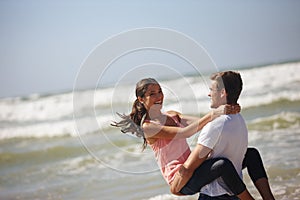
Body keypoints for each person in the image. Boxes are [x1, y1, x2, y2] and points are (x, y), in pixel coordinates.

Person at [111, 77, 274, 200]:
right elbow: (185, 133)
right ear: (141, 99)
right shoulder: (148, 127)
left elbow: (203, 123)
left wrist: (228, 110)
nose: (159, 96)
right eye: (152, 94)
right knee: (222, 166)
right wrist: (214, 113)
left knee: (251, 154)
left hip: (194, 168)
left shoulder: (173, 115)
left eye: (160, 91)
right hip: (181, 178)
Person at [170, 71, 275, 200]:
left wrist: (175, 189)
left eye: (211, 90)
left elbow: (189, 167)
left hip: (213, 195)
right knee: (251, 153)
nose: (209, 94)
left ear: (222, 93)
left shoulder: (215, 126)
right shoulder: (239, 119)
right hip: (234, 194)